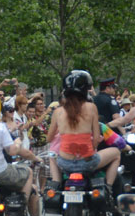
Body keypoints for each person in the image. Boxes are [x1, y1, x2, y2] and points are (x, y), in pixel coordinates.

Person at [47, 71, 123, 199]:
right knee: (116, 153)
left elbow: (49, 138)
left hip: (64, 163)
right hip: (88, 162)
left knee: (52, 155)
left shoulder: (58, 112)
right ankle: (108, 188)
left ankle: (56, 182)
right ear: (85, 90)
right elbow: (96, 140)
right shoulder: (91, 107)